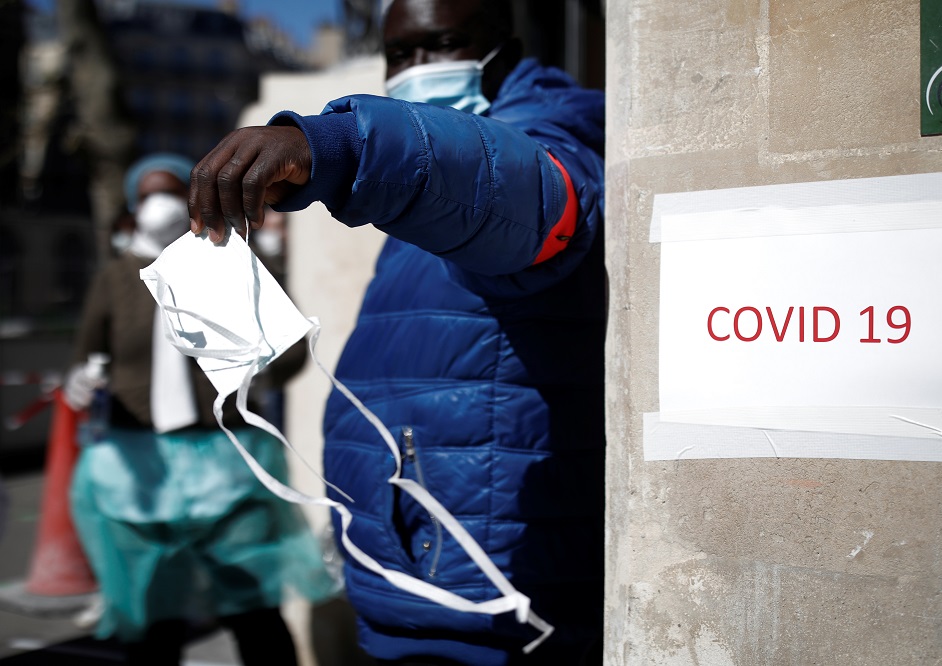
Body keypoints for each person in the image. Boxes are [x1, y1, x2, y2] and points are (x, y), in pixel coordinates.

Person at [188, 0, 605, 663]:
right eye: (400, 54)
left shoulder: (549, 138)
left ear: (505, 52)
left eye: (443, 43)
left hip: (495, 602)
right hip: (418, 584)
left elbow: (525, 194)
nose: (418, 68)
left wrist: (339, 147)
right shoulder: (428, 200)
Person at [64, 153, 336, 666]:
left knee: (252, 607)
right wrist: (83, 378)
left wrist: (256, 370)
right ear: (132, 207)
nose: (160, 205)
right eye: (148, 196)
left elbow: (291, 347)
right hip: (141, 465)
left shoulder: (227, 263)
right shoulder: (115, 278)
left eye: (171, 191)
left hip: (225, 457)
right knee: (153, 613)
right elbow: (88, 354)